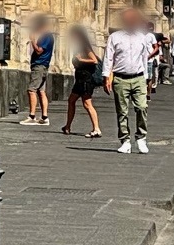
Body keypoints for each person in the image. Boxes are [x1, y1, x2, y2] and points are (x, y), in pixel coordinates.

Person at [103, 8, 158, 154]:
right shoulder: (115, 37)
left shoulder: (142, 37)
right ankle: (125, 140)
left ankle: (141, 137)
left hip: (139, 77)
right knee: (122, 111)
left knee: (141, 107)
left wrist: (146, 78)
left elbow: (145, 58)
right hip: (120, 78)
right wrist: (106, 76)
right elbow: (108, 57)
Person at [61, 25, 103, 138]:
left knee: (87, 104)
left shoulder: (85, 47)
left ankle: (96, 128)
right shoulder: (79, 47)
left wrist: (80, 59)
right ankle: (68, 126)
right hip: (80, 79)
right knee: (71, 100)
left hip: (86, 80)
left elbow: (94, 60)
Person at [21, 15, 55, 126]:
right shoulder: (49, 36)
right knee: (41, 91)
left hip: (39, 65)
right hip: (43, 66)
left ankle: (32, 116)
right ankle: (44, 117)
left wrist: (32, 41)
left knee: (32, 90)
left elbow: (39, 51)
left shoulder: (46, 36)